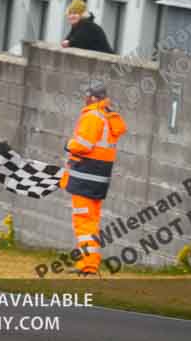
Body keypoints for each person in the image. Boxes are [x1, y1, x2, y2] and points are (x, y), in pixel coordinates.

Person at [60, 82, 127, 276]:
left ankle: (88, 265)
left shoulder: (93, 115)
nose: (85, 99)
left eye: (88, 96)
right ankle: (89, 262)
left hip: (85, 176)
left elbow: (83, 144)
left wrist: (68, 144)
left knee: (83, 221)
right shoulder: (108, 115)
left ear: (93, 98)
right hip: (99, 177)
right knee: (92, 220)